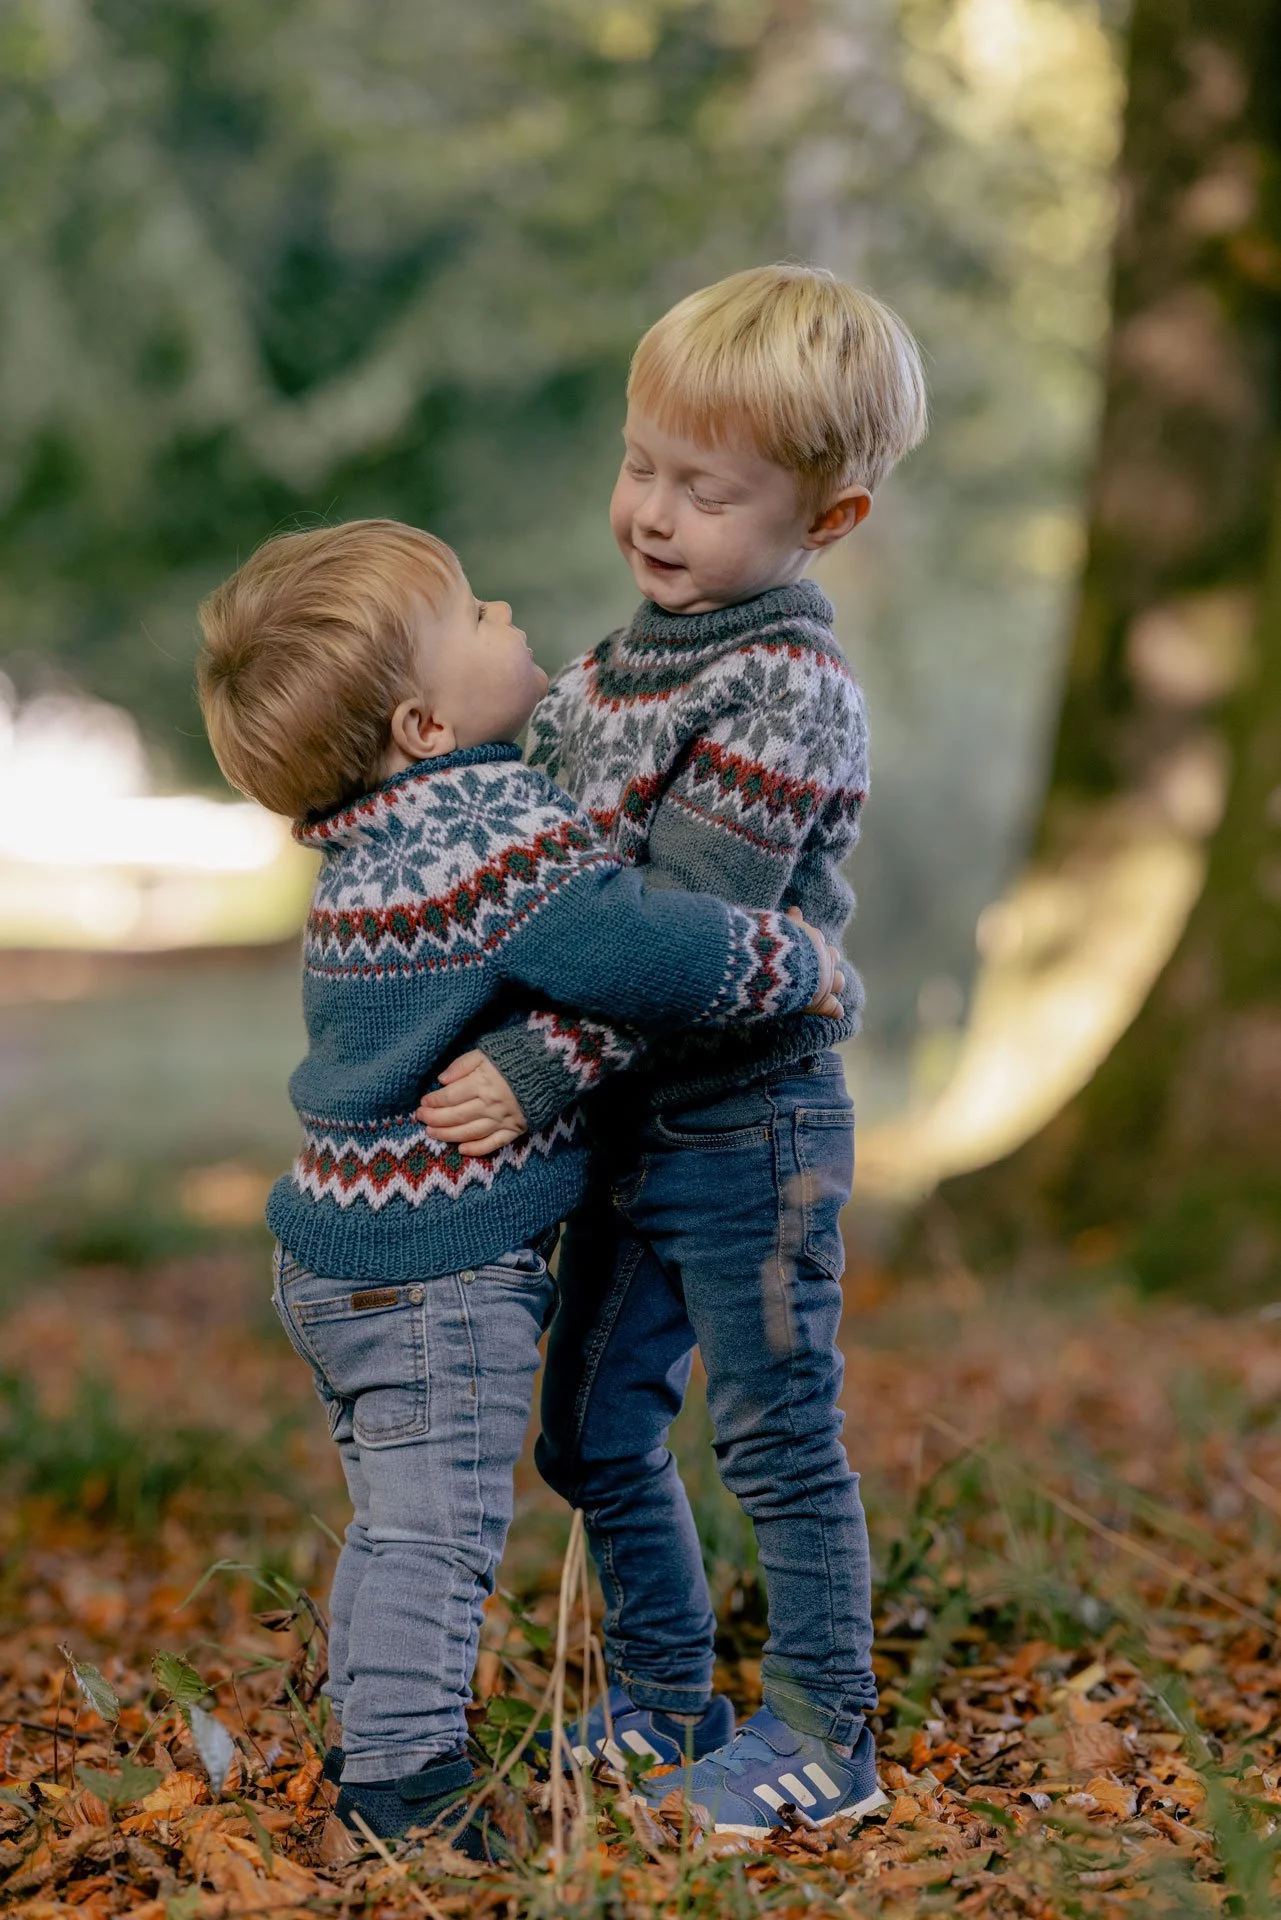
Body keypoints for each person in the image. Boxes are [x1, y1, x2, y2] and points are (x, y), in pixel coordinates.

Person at [194, 517, 843, 1855]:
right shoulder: (480, 823)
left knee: (394, 1522)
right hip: (435, 1276)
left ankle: (373, 1736)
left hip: (337, 1259)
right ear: (425, 726)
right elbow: (634, 947)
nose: (503, 614)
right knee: (437, 1533)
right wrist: (796, 962)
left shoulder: (375, 838)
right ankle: (406, 1788)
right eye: (473, 616)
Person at [419, 264, 928, 1835]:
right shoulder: (616, 664)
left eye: (706, 491)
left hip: (750, 1128)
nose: (652, 511)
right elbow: (534, 847)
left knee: (778, 1438)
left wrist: (535, 1071)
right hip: (631, 1133)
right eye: (642, 464)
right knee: (588, 1432)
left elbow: (680, 944)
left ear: (827, 517)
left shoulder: (787, 691)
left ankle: (827, 1736)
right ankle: (662, 1699)